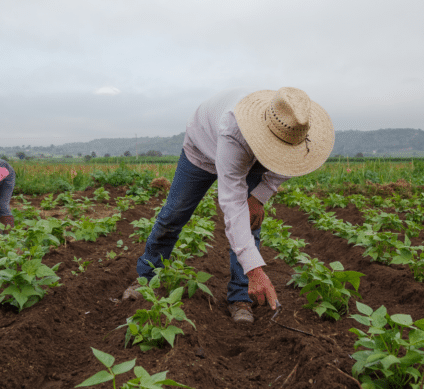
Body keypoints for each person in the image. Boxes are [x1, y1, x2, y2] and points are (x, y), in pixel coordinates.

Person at [122, 87, 334, 323]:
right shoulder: (234, 129)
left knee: (251, 223)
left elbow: (289, 167)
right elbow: (232, 205)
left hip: (253, 158)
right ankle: (146, 277)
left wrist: (259, 197)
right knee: (174, 215)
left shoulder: (297, 130)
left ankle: (240, 297)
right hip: (203, 149)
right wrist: (256, 270)